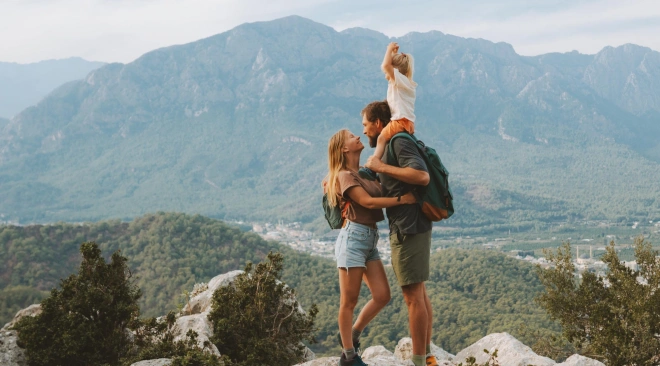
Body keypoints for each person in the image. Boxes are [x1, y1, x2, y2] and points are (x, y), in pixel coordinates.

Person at [324, 129, 417, 366]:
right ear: (344, 149)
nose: (358, 137)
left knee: (382, 295)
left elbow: (379, 152)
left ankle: (352, 334)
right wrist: (402, 200)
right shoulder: (345, 176)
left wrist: (385, 135)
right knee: (349, 301)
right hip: (353, 239)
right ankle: (348, 356)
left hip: (369, 240)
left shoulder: (363, 173)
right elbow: (367, 202)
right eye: (352, 136)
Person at [361, 101, 438, 366]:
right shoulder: (391, 146)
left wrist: (382, 168)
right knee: (419, 293)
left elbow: (421, 176)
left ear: (378, 124)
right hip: (408, 225)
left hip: (410, 226)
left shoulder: (398, 142)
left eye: (365, 125)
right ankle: (426, 355)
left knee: (412, 297)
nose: (364, 132)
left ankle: (420, 361)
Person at [359, 42, 417, 181]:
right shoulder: (404, 84)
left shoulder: (399, 81)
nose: (386, 73)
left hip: (399, 121)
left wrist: (389, 50)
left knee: (381, 139)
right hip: (406, 121)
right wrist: (392, 54)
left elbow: (385, 66)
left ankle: (372, 167)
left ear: (395, 69)